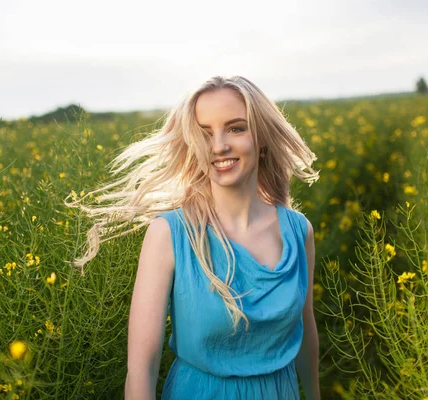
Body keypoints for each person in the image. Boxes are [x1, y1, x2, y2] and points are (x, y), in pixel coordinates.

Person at [68, 76, 320, 399]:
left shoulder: (299, 231)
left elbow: (306, 335)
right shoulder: (169, 235)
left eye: (236, 128)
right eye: (204, 133)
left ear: (263, 137)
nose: (218, 146)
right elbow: (141, 370)